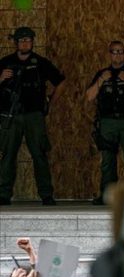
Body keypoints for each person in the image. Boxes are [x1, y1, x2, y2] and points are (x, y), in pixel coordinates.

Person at [0, 26, 65, 206]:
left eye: (28, 40)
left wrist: (49, 104)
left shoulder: (41, 63)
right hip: (11, 116)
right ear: (15, 43)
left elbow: (60, 83)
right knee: (8, 155)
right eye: (21, 40)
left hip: (34, 116)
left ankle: (46, 194)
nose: (25, 43)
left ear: (33, 42)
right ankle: (4, 194)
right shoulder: (5, 62)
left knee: (39, 155)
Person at [85, 41, 124, 205]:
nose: (117, 55)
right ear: (109, 54)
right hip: (108, 122)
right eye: (114, 52)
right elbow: (89, 96)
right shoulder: (102, 73)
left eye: (120, 51)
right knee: (107, 161)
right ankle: (107, 195)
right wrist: (101, 80)